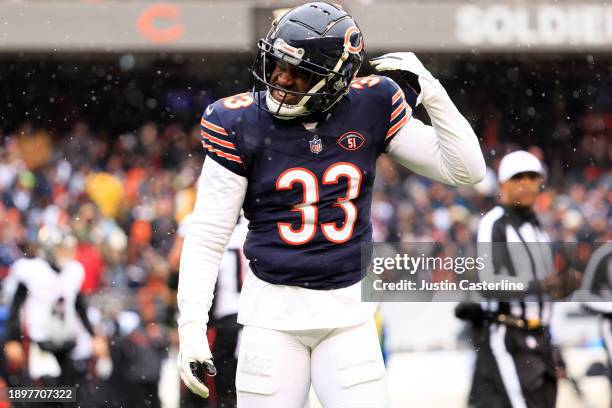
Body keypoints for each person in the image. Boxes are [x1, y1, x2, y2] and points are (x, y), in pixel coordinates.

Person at [177, 2, 485, 407]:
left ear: (338, 81)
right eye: (277, 64)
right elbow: (208, 233)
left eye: (299, 72)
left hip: (348, 317)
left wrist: (431, 90)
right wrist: (191, 326)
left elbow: (467, 170)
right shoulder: (238, 122)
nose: (280, 79)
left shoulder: (370, 105)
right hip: (272, 316)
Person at [465, 150, 559, 408]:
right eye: (519, 177)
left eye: (533, 177)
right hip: (510, 337)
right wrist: (536, 286)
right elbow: (488, 284)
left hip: (541, 338)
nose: (527, 183)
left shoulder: (537, 227)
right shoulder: (494, 224)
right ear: (503, 184)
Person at [3, 226, 107, 401]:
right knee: (43, 396)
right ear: (50, 247)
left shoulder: (72, 271)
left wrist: (93, 335)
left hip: (66, 344)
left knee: (69, 397)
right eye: (62, 247)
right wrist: (12, 340)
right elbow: (15, 307)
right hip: (39, 345)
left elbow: (79, 306)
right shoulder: (32, 270)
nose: (67, 252)